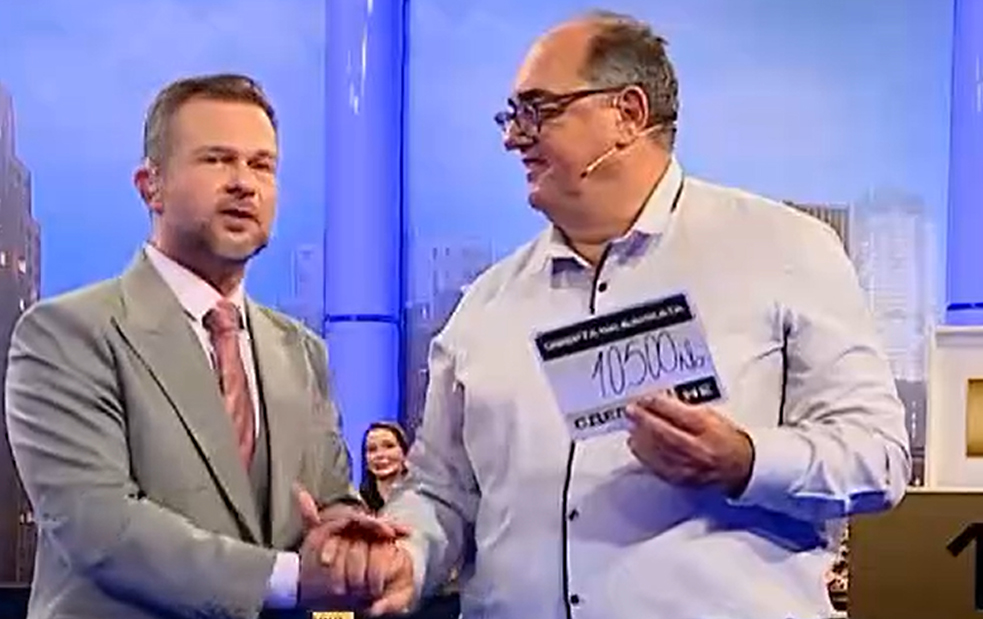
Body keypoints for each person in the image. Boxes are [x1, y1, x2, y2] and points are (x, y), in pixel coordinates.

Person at [360, 10, 910, 619]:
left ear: (627, 114)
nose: (513, 137)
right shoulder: (483, 307)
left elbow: (878, 457)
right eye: (511, 115)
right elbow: (440, 489)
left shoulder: (786, 250)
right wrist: (405, 554)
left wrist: (745, 460)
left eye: (537, 111)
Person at [4, 73, 407, 619]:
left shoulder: (302, 351)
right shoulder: (66, 335)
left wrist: (348, 544)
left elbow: (330, 499)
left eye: (262, 165)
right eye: (217, 160)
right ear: (150, 186)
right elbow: (100, 526)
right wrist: (293, 579)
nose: (244, 183)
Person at [360, 421, 411, 513]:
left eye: (389, 446)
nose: (380, 455)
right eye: (372, 449)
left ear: (404, 453)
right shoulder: (358, 506)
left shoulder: (422, 500)